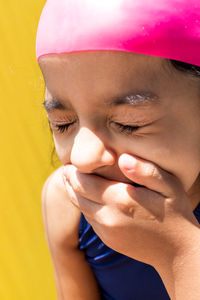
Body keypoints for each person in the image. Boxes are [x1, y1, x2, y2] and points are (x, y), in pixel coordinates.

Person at [37, 1, 200, 299]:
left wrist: (181, 251)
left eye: (129, 123)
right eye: (62, 124)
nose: (83, 157)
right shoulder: (68, 205)